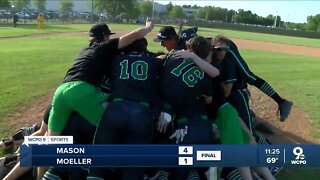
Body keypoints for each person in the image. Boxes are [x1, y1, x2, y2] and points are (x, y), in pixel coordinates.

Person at [87, 38, 163, 180]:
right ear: (144, 49)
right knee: (133, 167)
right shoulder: (154, 62)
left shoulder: (116, 59)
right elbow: (163, 60)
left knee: (98, 162)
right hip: (142, 112)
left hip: (116, 108)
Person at [213, 35, 293, 122]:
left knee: (248, 76)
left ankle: (281, 102)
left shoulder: (226, 50)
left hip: (228, 47)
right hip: (217, 46)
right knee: (237, 75)